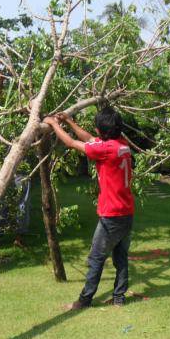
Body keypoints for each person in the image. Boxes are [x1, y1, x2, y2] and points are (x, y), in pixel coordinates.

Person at [43, 107, 134, 310]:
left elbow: (72, 143)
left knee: (96, 257)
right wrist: (69, 121)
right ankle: (119, 298)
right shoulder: (121, 145)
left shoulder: (106, 150)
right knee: (120, 257)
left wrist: (54, 124)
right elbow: (91, 139)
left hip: (112, 215)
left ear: (103, 130)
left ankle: (84, 300)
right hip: (126, 213)